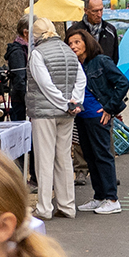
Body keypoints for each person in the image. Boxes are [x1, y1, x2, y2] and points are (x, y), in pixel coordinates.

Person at [26, 19, 84, 222]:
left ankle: (44, 207)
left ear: (37, 35)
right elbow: (81, 79)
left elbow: (45, 84)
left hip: (44, 113)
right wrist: (73, 101)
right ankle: (67, 205)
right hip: (67, 114)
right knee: (64, 158)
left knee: (44, 159)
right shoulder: (68, 51)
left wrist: (62, 102)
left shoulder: (37, 54)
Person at [65, 24, 125, 215]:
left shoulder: (101, 61)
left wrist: (110, 107)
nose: (73, 46)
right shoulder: (75, 65)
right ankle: (99, 197)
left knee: (102, 156)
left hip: (97, 116)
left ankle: (112, 198)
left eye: (77, 42)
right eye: (70, 43)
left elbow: (122, 83)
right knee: (90, 157)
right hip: (81, 117)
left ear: (86, 42)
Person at [79, 0, 119, 64]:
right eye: (95, 11)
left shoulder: (110, 30)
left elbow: (115, 58)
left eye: (101, 10)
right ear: (86, 11)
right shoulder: (75, 31)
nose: (99, 14)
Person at [2, 21, 29, 122]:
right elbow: (19, 79)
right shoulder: (17, 52)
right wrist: (27, 100)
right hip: (20, 101)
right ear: (26, 33)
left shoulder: (26, 49)